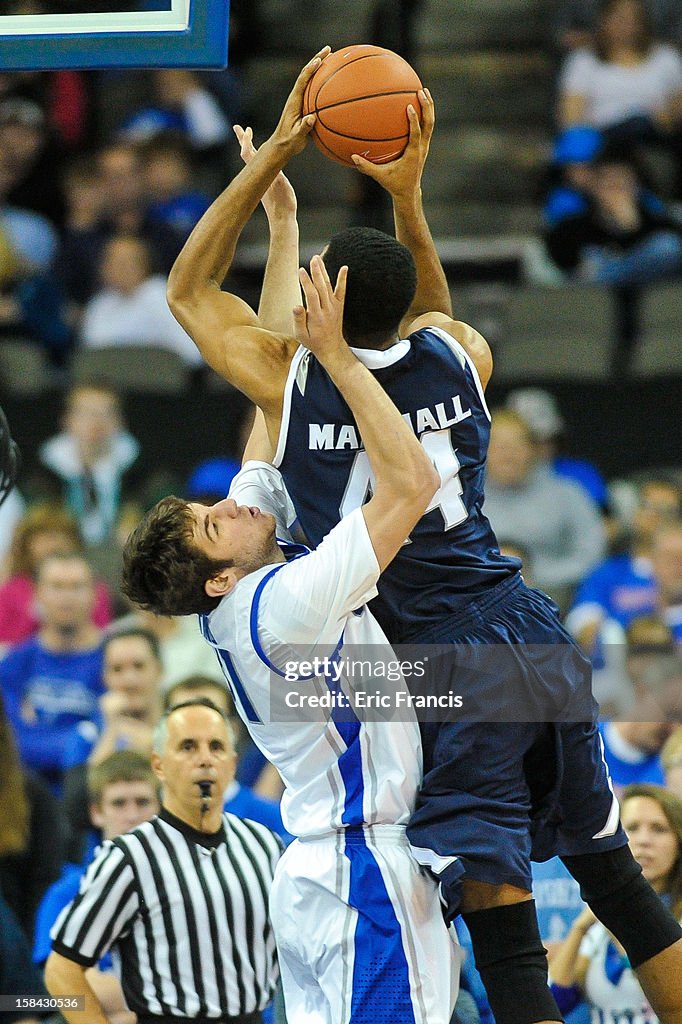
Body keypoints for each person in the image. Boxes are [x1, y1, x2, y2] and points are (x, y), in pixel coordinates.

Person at [164, 52, 682, 1024]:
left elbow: (189, 293)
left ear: (324, 303)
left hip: (436, 656)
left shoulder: (294, 382)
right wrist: (408, 196)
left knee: (500, 912)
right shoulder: (459, 353)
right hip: (526, 620)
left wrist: (275, 153)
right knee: (614, 880)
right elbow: (432, 307)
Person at [121, 244, 458, 1023]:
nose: (231, 505)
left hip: (318, 872)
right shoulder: (283, 602)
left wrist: (283, 225)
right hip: (360, 869)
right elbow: (409, 482)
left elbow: (272, 410)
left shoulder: (238, 595)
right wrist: (339, 360)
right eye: (214, 521)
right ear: (216, 575)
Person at [45, 699, 283, 1024]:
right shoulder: (129, 857)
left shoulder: (264, 845)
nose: (204, 759)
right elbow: (62, 970)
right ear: (158, 765)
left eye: (216, 747)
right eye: (188, 747)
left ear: (232, 764)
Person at [34, 751, 160, 1024]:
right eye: (118, 803)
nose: (132, 816)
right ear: (96, 813)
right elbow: (72, 993)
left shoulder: (185, 885)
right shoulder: (66, 894)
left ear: (160, 809)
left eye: (142, 802)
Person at [549, 784, 682, 1024]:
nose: (643, 840)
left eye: (659, 829)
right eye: (631, 828)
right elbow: (556, 1003)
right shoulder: (598, 923)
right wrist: (580, 929)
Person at [0, 551, 103, 792]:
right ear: (37, 594)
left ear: (95, 595)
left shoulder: (117, 659)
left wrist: (36, 735)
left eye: (76, 586)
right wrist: (82, 735)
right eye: (57, 586)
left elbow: (115, 740)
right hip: (24, 795)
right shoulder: (15, 663)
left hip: (92, 796)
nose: (67, 597)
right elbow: (10, 746)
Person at [483, 407, 606, 609]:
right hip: (482, 599)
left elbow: (592, 553)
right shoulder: (464, 498)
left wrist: (532, 578)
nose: (508, 454)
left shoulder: (568, 493)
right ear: (482, 448)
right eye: (499, 445)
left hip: (558, 597)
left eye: (517, 445)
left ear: (533, 449)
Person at [0, 503, 112, 648]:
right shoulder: (11, 591)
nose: (52, 545)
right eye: (43, 537)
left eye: (60, 536)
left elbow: (102, 635)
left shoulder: (94, 587)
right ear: (27, 545)